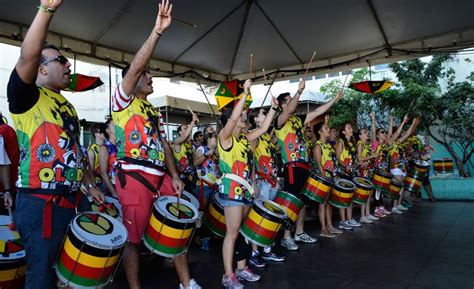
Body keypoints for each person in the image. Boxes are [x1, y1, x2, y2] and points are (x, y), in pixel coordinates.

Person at [6, 1, 104, 288]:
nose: (68, 64)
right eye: (61, 60)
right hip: (40, 204)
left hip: (74, 200)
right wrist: (46, 10)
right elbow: (27, 57)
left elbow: (76, 151)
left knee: (73, 272)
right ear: (42, 69)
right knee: (42, 277)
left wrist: (90, 185)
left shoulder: (67, 106)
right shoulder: (26, 97)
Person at [111, 1, 200, 288]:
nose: (151, 77)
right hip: (134, 179)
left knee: (177, 229)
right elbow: (136, 65)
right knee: (133, 241)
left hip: (160, 177)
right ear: (133, 78)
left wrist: (174, 176)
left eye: (150, 74)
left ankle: (187, 284)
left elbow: (164, 145)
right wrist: (157, 32)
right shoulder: (121, 101)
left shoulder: (152, 111)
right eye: (147, 74)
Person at [218, 80, 275, 288]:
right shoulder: (224, 138)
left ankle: (242, 268)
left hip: (245, 191)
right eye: (242, 116)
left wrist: (274, 109)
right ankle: (228, 275)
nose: (244, 117)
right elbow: (234, 115)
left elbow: (266, 127)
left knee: (241, 231)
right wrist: (245, 92)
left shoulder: (245, 139)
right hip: (231, 191)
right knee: (232, 233)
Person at [275, 81, 342, 251]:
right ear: (283, 105)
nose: (294, 102)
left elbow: (318, 111)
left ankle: (299, 232)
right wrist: (299, 91)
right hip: (292, 167)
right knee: (291, 202)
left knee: (302, 202)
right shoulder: (279, 121)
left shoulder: (298, 120)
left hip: (304, 166)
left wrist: (333, 99)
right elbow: (289, 110)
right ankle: (286, 237)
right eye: (290, 100)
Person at [247, 100, 286, 268]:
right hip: (262, 182)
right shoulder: (254, 135)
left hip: (271, 181)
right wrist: (254, 181)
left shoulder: (265, 136)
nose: (266, 116)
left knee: (269, 217)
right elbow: (252, 160)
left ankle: (267, 250)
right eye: (263, 113)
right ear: (255, 119)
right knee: (259, 217)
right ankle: (255, 252)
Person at [313, 118, 343, 238]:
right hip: (325, 179)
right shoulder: (318, 146)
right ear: (320, 132)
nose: (328, 129)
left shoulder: (328, 145)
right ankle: (323, 229)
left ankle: (330, 226)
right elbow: (319, 163)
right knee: (322, 204)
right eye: (326, 128)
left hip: (332, 177)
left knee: (329, 203)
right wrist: (325, 178)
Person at [336, 122, 361, 229]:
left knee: (350, 198)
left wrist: (357, 164)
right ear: (343, 131)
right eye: (349, 128)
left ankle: (349, 219)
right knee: (343, 198)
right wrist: (345, 165)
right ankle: (342, 221)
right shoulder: (341, 142)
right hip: (343, 174)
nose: (351, 129)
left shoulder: (351, 143)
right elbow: (337, 158)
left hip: (351, 173)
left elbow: (353, 160)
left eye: (351, 128)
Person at [356, 114, 379, 224]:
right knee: (364, 193)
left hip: (369, 171)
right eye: (364, 133)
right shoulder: (359, 144)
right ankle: (362, 216)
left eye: (366, 132)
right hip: (362, 172)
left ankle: (367, 214)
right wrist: (372, 156)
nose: (366, 134)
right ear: (360, 136)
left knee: (369, 193)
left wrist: (373, 120)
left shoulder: (367, 145)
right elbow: (360, 158)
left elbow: (374, 135)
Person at [174, 113, 199, 193]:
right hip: (181, 179)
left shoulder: (190, 146)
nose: (188, 130)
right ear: (180, 133)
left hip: (191, 178)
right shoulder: (177, 142)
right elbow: (185, 136)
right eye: (185, 129)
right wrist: (193, 122)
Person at [0, 115, 19, 210]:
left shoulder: (2, 131)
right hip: (10, 190)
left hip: (5, 193)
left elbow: (2, 164)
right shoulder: (8, 129)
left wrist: (7, 190)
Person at [99, 118, 118, 197]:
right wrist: (113, 192)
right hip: (112, 188)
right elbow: (103, 173)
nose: (117, 126)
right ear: (108, 130)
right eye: (114, 125)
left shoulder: (121, 146)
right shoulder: (105, 147)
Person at [88, 123, 107, 189]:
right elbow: (90, 172)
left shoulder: (108, 146)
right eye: (102, 131)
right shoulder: (91, 151)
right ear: (96, 134)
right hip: (99, 185)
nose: (105, 132)